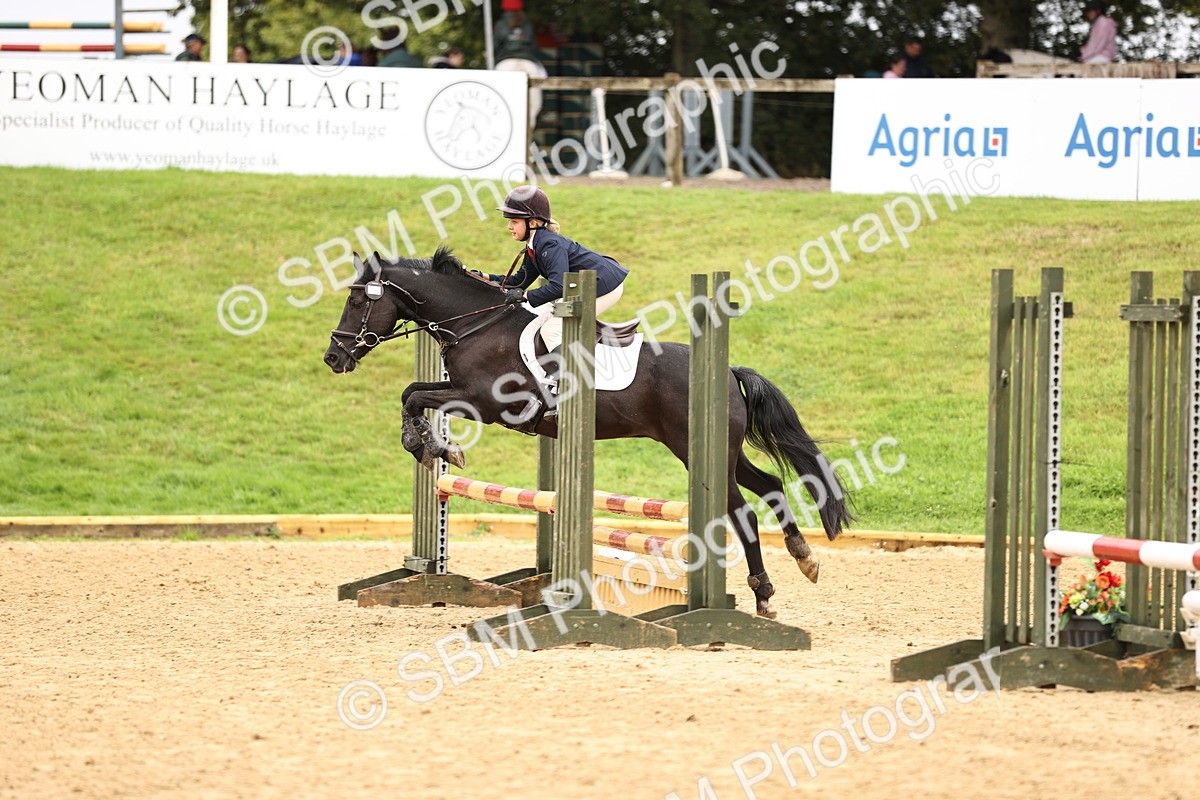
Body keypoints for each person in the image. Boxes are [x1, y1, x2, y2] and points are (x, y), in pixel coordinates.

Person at [488, 186, 629, 415]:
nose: (509, 226)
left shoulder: (548, 244)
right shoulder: (534, 245)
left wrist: (526, 296)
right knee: (539, 319)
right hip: (584, 285)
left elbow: (558, 285)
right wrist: (481, 277)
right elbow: (517, 281)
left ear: (533, 222)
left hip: (604, 287)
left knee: (552, 329)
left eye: (514, 221)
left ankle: (569, 392)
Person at [493, 0, 546, 129]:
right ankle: (530, 126)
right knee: (534, 103)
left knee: (502, 100)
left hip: (505, 63)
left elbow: (495, 46)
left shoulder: (500, 24)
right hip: (528, 63)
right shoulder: (528, 25)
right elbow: (534, 46)